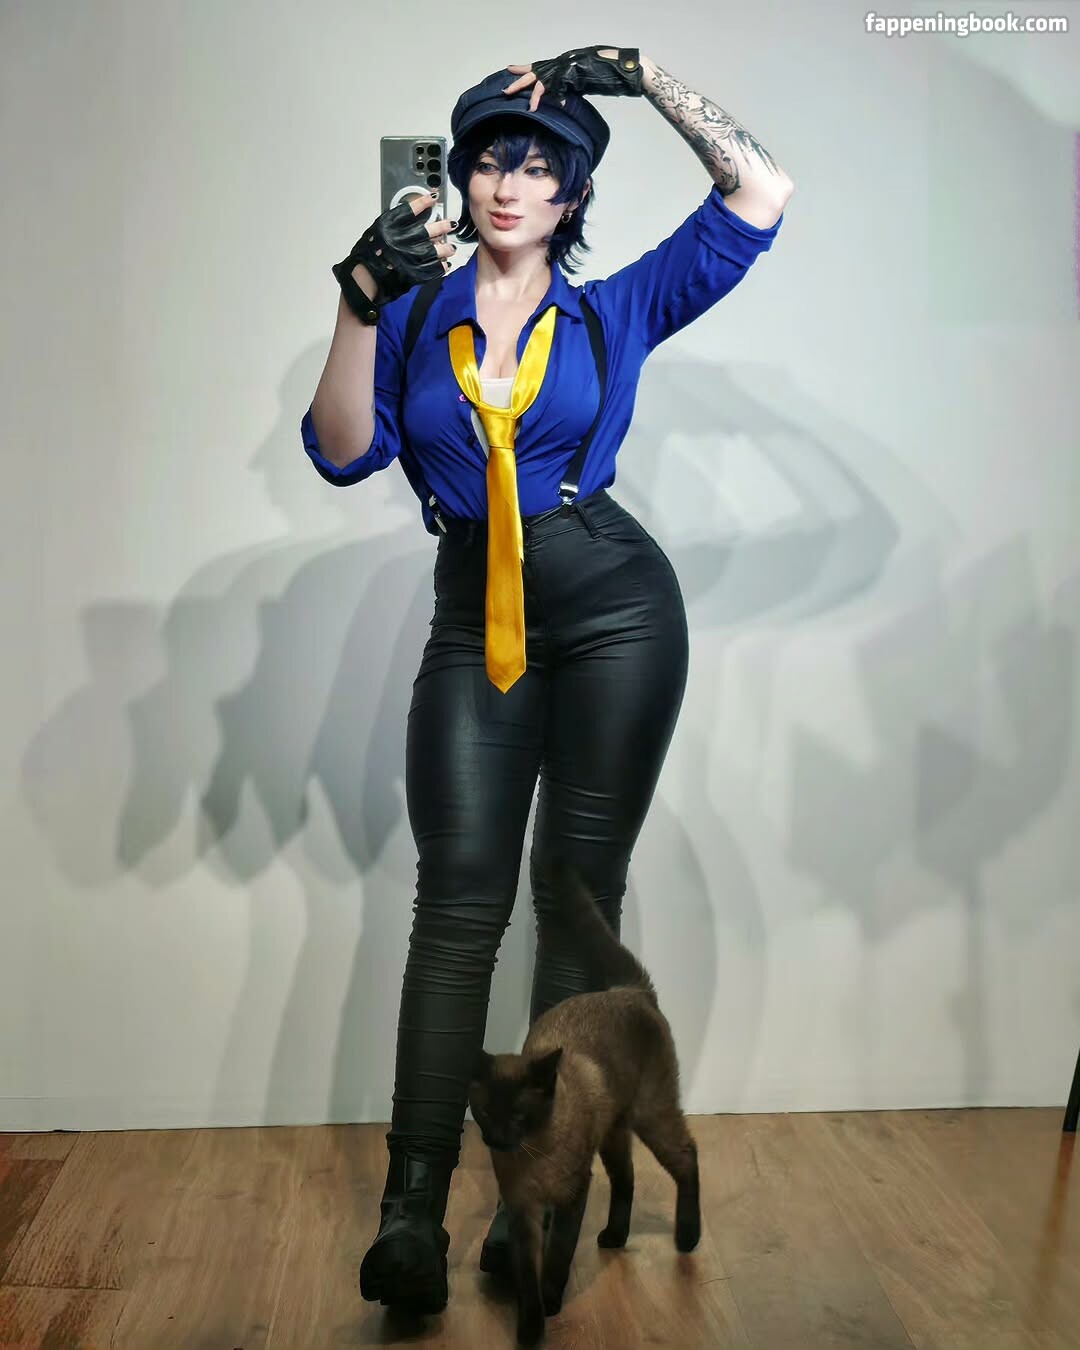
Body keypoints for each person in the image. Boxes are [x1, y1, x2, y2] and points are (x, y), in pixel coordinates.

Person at [301, 46, 792, 1314]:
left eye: (536, 165)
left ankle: (541, 1209)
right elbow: (342, 452)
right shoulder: (415, 312)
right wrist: (357, 300)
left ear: (571, 194)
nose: (507, 183)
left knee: (573, 904)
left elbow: (761, 191)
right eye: (488, 160)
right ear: (461, 179)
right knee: (458, 906)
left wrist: (635, 73)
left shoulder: (617, 310)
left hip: (618, 610)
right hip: (478, 615)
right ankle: (411, 1218)